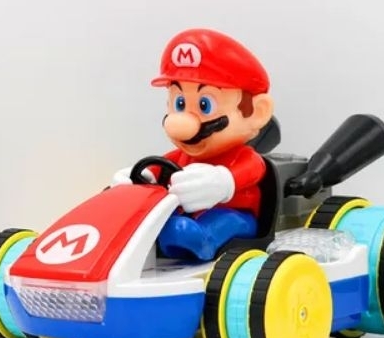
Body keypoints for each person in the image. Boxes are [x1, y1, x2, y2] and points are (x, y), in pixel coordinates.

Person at [112, 28, 274, 261]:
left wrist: (221, 183)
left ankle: (202, 240)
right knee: (160, 221)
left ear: (257, 113)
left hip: (234, 216)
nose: (181, 123)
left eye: (205, 105)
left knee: (219, 221)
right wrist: (136, 180)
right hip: (189, 216)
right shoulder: (180, 157)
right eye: (179, 103)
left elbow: (248, 172)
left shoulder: (246, 159)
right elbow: (156, 168)